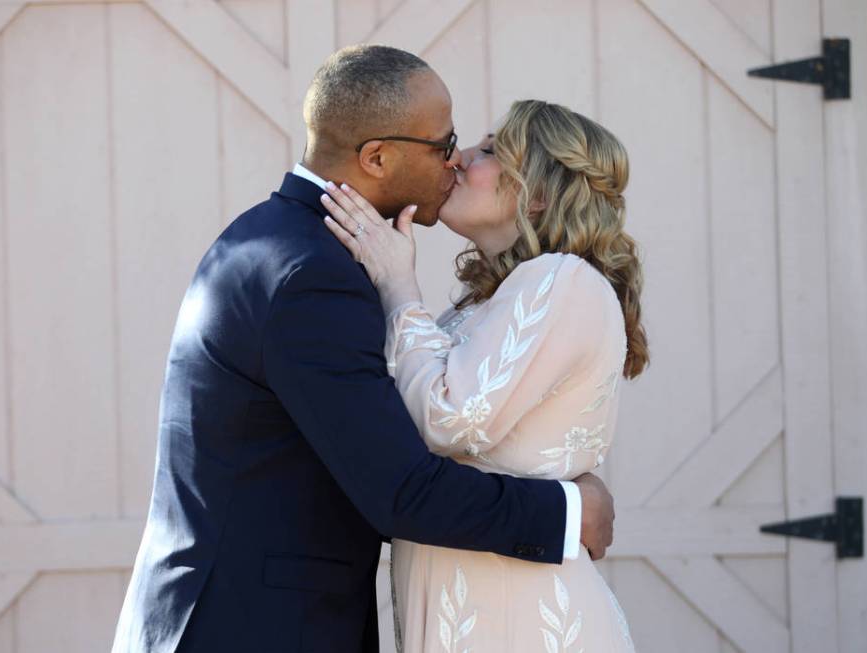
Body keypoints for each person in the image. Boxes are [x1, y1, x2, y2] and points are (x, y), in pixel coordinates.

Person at [111, 46, 616, 653]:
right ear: (377, 157)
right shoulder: (312, 272)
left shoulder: (278, 241)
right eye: (445, 142)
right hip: (252, 628)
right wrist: (566, 511)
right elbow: (401, 489)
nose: (454, 159)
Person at [322, 99, 647, 651]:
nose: (457, 159)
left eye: (491, 150)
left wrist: (398, 286)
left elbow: (449, 419)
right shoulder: (482, 305)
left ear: (540, 191)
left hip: (525, 626)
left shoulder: (561, 279)